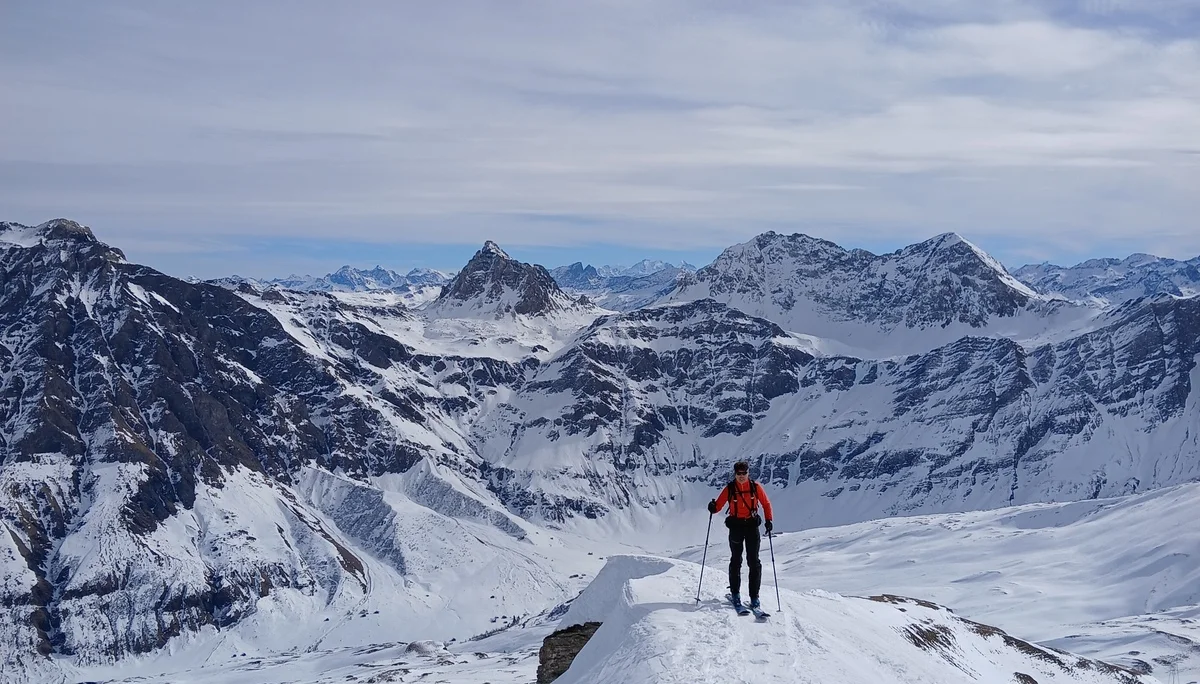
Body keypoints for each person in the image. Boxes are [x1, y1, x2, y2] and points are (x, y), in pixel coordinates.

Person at [707, 460, 773, 609]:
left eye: (744, 473)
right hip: (736, 526)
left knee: (754, 562)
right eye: (739, 474)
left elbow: (766, 503)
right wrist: (712, 507)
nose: (741, 476)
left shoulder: (755, 488)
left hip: (751, 526)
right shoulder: (730, 489)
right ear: (735, 474)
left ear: (748, 473)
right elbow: (718, 505)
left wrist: (769, 520)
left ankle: (754, 597)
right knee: (736, 561)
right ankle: (735, 594)